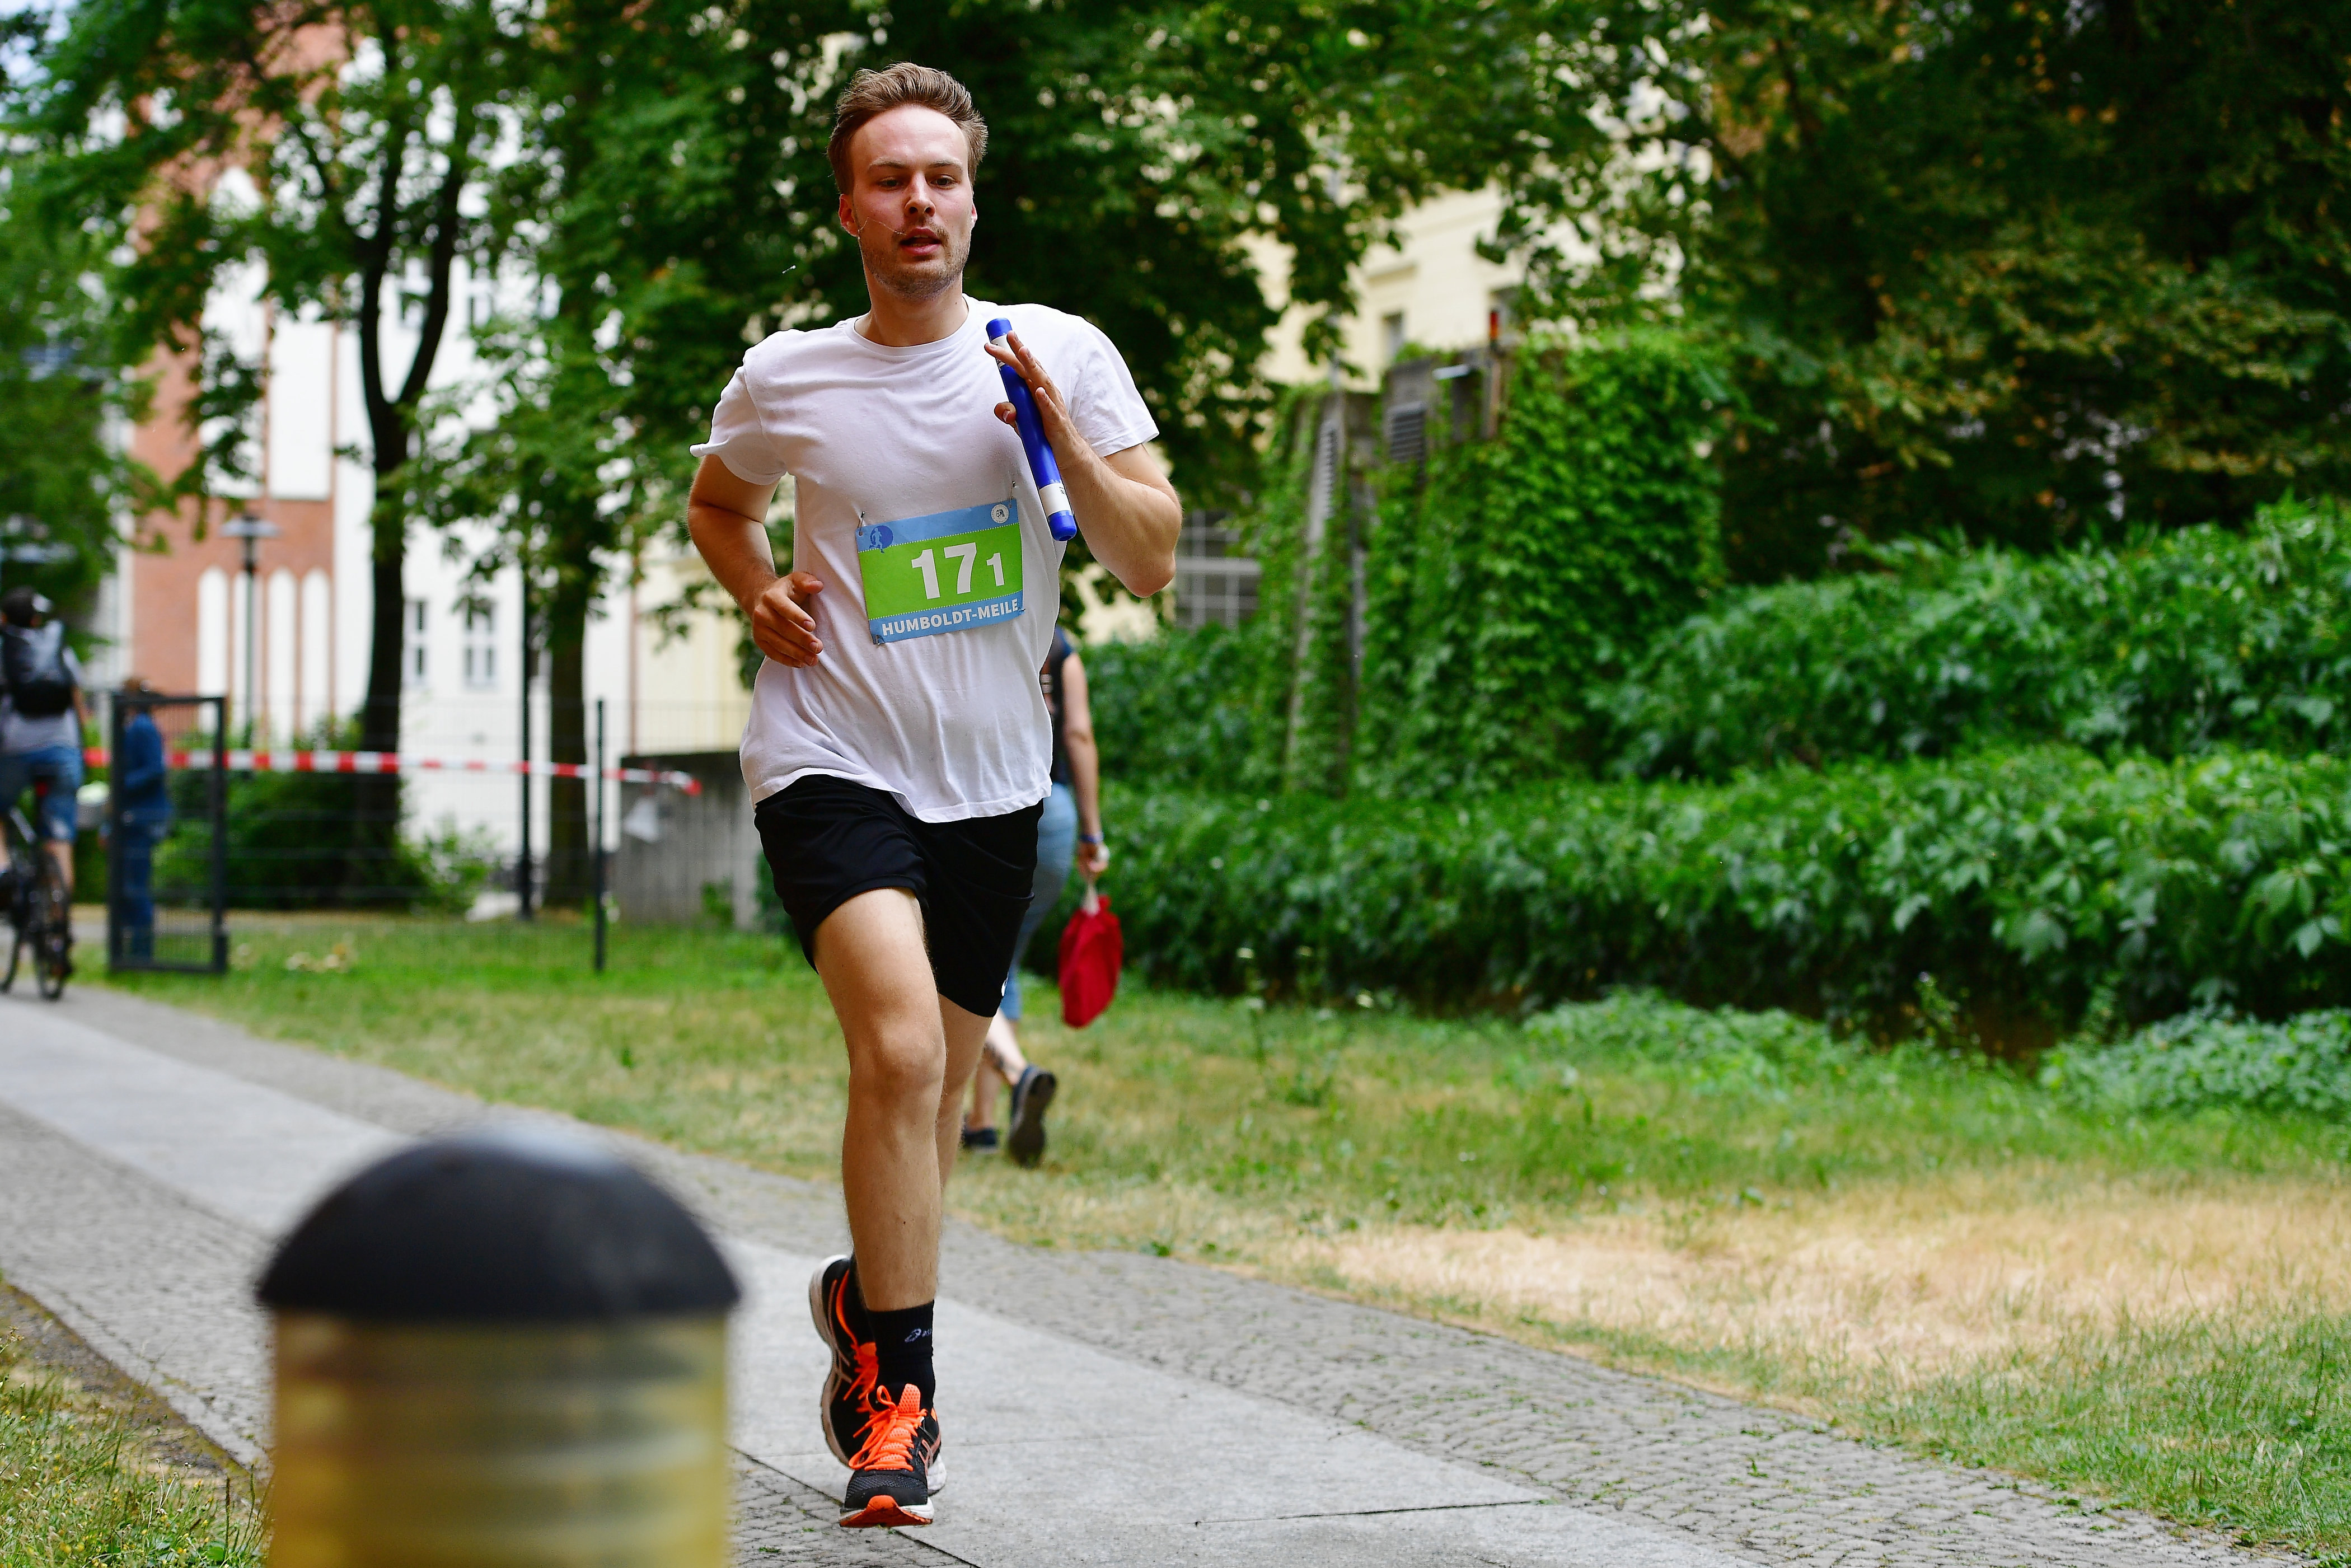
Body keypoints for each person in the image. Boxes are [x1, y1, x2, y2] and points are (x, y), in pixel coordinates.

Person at [682, 63, 1179, 1529]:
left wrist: (1061, 437)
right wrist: (758, 586)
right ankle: (903, 1404)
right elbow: (721, 501)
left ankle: (863, 1303)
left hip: (990, 790)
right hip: (831, 758)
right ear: (849, 208)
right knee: (900, 1057)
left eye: (941, 179)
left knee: (944, 1086)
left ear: (973, 196)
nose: (919, 202)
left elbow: (1148, 556)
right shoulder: (789, 375)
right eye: (889, 180)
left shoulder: (1059, 354)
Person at [960, 624, 1108, 1166]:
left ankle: (1019, 1075)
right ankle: (980, 1122)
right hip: (1057, 814)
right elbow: (1079, 735)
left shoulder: (979, 619)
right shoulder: (1062, 645)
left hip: (993, 803)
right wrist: (1091, 832)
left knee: (966, 957)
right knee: (1005, 958)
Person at [0, 587, 91, 971]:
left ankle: (3, 872)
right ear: (38, 619)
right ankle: (58, 928)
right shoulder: (60, 647)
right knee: (59, 840)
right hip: (63, 749)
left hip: (17, 750)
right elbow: (79, 702)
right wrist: (84, 749)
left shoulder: (5, 649)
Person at [113, 680, 171, 960]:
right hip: (134, 815)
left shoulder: (142, 728)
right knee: (129, 883)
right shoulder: (137, 727)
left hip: (142, 817)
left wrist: (122, 784)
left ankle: (141, 952)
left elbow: (154, 768)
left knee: (136, 884)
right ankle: (131, 948)